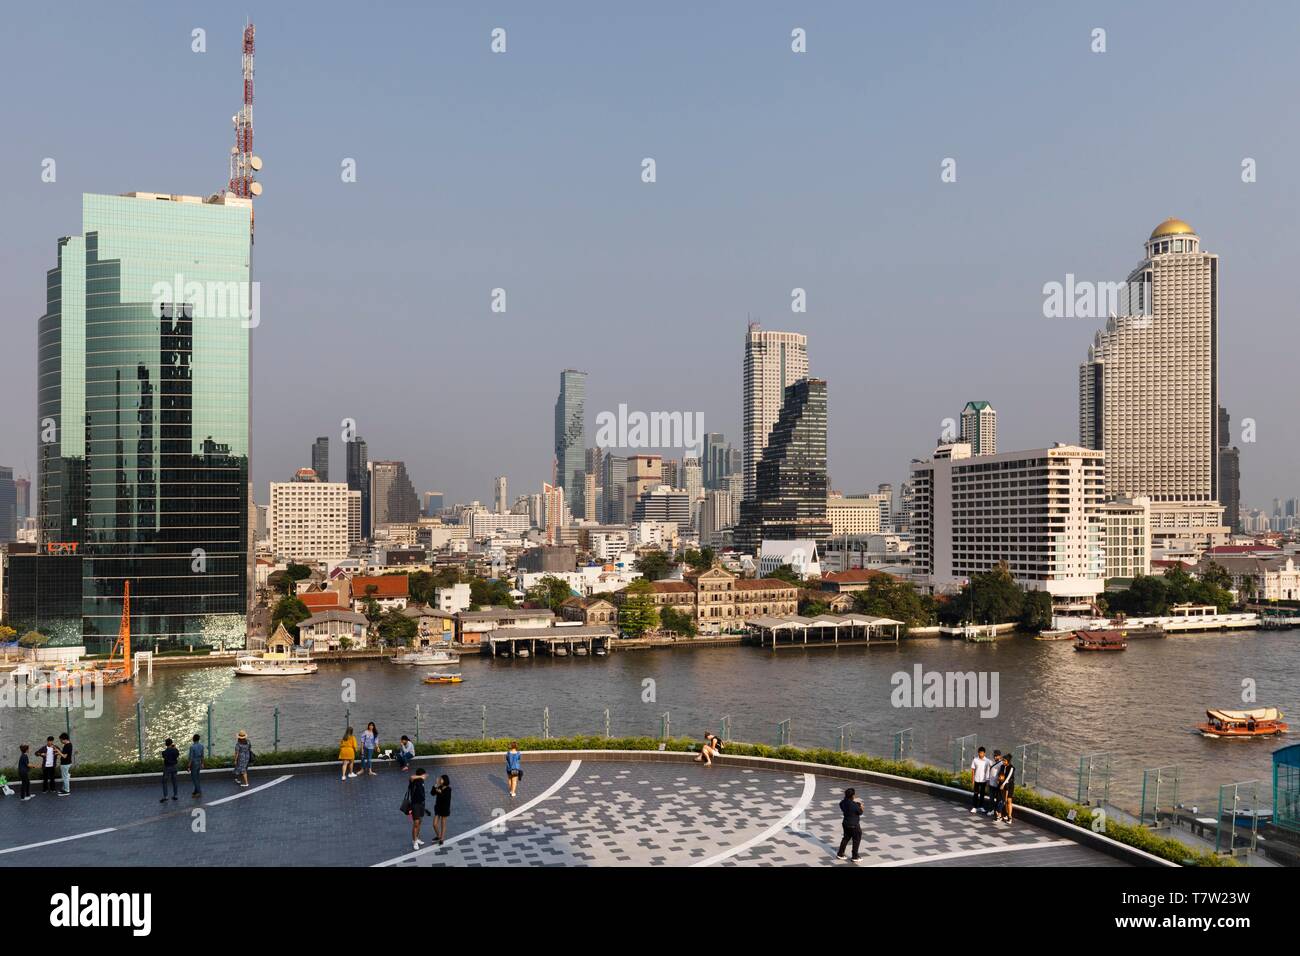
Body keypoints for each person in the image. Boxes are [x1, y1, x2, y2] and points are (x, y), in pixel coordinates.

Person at [837, 787, 864, 862]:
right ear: (852, 795)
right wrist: (861, 807)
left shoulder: (842, 803)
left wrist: (856, 804)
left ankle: (840, 853)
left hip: (845, 824)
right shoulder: (854, 805)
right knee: (856, 840)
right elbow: (860, 812)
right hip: (854, 825)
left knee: (846, 838)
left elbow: (846, 805)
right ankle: (855, 856)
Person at [407, 767, 429, 850]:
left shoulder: (422, 781)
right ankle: (414, 841)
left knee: (420, 821)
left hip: (421, 804)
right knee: (416, 823)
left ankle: (417, 838)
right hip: (415, 804)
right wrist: (420, 777)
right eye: (424, 774)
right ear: (421, 775)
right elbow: (411, 777)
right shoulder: (414, 781)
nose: (425, 776)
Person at [970, 746, 992, 814]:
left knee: (982, 794)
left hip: (984, 780)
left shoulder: (988, 761)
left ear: (984, 753)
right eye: (980, 753)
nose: (981, 754)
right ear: (978, 753)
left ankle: (981, 806)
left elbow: (993, 766)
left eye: (982, 753)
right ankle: (974, 807)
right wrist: (973, 780)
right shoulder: (975, 760)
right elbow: (973, 770)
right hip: (976, 779)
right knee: (975, 794)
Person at [431, 774, 452, 846]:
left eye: (441, 779)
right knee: (434, 824)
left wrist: (440, 792)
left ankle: (442, 839)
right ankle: (439, 836)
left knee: (443, 823)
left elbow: (446, 799)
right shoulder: (439, 786)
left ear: (445, 780)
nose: (440, 780)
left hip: (444, 809)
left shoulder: (448, 789)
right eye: (440, 779)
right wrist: (436, 784)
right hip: (438, 808)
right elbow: (432, 793)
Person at [983, 750, 1004, 815]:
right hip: (991, 784)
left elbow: (1001, 774)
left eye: (996, 756)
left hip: (996, 785)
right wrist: (988, 781)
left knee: (996, 799)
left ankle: (994, 811)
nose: (995, 757)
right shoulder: (993, 763)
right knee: (991, 798)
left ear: (1000, 756)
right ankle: (991, 810)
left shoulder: (1001, 764)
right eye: (994, 755)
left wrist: (999, 782)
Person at [160, 738, 180, 803]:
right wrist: (174, 748)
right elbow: (177, 754)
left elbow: (164, 757)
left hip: (167, 767)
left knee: (164, 781)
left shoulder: (164, 752)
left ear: (166, 744)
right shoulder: (175, 750)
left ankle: (165, 796)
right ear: (172, 743)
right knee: (175, 781)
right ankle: (175, 795)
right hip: (174, 766)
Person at [998, 753, 1016, 824]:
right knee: (1004, 800)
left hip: (1010, 785)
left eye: (1005, 761)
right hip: (1003, 784)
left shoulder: (1012, 768)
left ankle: (1009, 817)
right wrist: (999, 779)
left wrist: (1003, 784)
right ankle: (1005, 814)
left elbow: (1008, 777)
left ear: (1008, 761)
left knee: (1009, 800)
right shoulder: (1002, 766)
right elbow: (1001, 774)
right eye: (1003, 761)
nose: (1003, 762)